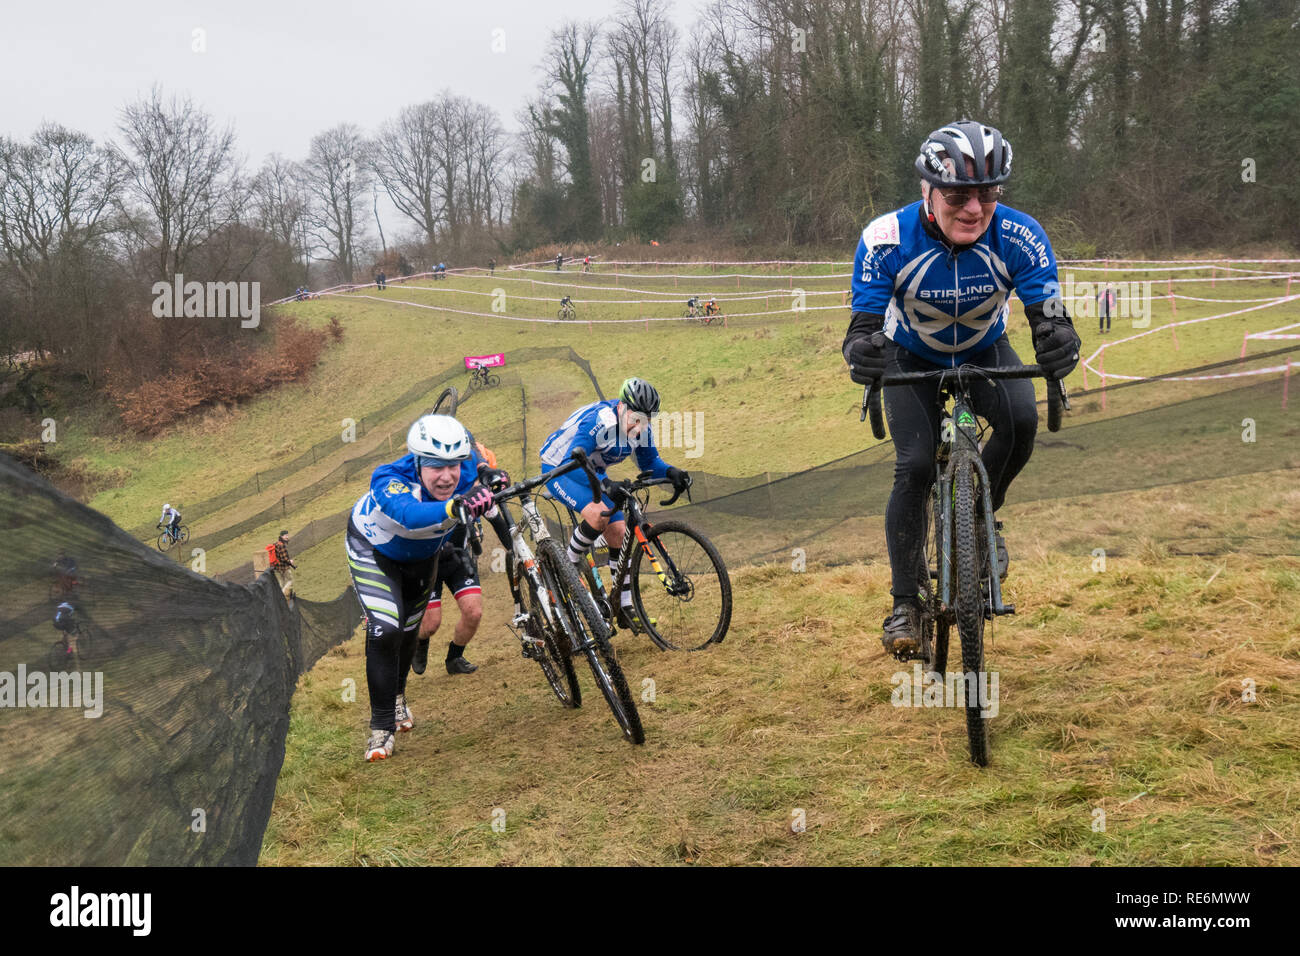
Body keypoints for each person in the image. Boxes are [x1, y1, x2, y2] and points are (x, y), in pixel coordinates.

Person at [842, 119, 1080, 657]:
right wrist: (861, 352)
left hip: (983, 349)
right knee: (916, 464)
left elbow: (1050, 311)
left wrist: (1058, 334)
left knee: (1021, 422)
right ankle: (906, 601)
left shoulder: (1019, 233)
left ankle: (980, 515)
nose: (974, 208)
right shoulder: (886, 238)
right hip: (912, 354)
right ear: (927, 190)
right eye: (958, 194)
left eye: (988, 193)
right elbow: (862, 328)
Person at [346, 414, 510, 762]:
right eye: (436, 466)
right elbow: (409, 515)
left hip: (423, 556)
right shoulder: (389, 478)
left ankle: (398, 696)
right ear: (418, 461)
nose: (447, 476)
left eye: (452, 465)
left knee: (408, 631)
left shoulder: (464, 470)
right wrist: (455, 506)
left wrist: (487, 474)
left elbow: (474, 458)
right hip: (373, 550)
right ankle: (380, 727)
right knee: (386, 628)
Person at [538, 377, 691, 632]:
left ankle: (625, 608)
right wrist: (606, 483)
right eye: (636, 419)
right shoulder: (600, 422)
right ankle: (567, 565)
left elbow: (650, 463)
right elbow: (573, 463)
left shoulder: (640, 427)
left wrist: (672, 472)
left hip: (593, 472)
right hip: (561, 468)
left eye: (646, 421)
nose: (640, 426)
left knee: (620, 533)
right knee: (599, 516)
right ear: (622, 407)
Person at [410, 433, 505, 677]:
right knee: (431, 624)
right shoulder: (427, 488)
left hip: (457, 558)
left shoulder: (476, 490)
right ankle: (420, 642)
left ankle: (455, 658)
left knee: (474, 612)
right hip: (427, 561)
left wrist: (516, 549)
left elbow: (498, 522)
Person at [270, 530, 297, 600]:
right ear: (282, 536)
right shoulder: (281, 545)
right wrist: (290, 561)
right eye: (285, 536)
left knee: (281, 583)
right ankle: (284, 596)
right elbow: (284, 558)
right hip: (284, 567)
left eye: (287, 535)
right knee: (290, 580)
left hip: (277, 567)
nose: (287, 537)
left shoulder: (276, 544)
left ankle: (282, 598)